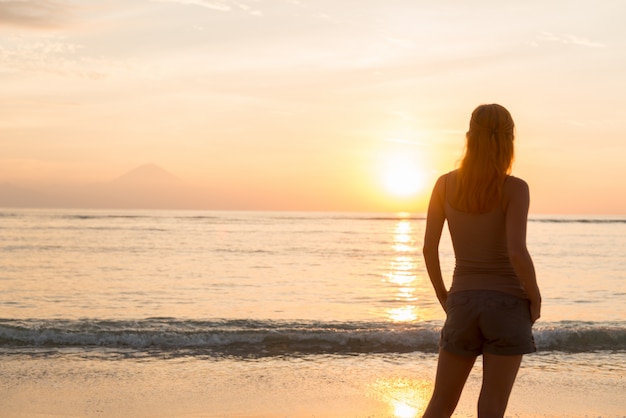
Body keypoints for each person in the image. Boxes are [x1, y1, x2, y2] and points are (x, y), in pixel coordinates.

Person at [421, 104, 542, 418]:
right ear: (508, 140)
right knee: (491, 408)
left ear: (469, 137)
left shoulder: (444, 185)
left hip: (461, 302)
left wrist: (444, 296)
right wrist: (535, 297)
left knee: (441, 404)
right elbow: (516, 251)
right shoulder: (514, 188)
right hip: (507, 305)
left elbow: (428, 248)